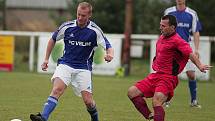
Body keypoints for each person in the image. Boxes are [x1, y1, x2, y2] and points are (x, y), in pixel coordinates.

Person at [30, 2, 114, 121]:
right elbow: (53, 39)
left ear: (89, 15)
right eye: (78, 14)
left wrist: (110, 54)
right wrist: (46, 59)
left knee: (89, 102)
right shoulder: (67, 26)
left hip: (83, 68)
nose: (80, 18)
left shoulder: (95, 31)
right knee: (57, 90)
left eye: (83, 15)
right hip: (66, 64)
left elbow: (108, 46)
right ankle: (43, 118)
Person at [127, 15, 211, 121]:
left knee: (156, 101)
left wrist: (200, 65)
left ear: (172, 27)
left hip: (168, 78)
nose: (160, 28)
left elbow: (190, 54)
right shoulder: (162, 37)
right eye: (160, 25)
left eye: (163, 26)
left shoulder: (178, 41)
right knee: (132, 92)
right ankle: (150, 115)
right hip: (156, 75)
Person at [164, 0, 202, 108]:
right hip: (171, 49)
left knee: (191, 74)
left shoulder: (192, 14)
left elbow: (196, 32)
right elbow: (163, 29)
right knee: (170, 75)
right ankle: (166, 100)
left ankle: (194, 101)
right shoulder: (169, 12)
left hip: (185, 48)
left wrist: (197, 49)